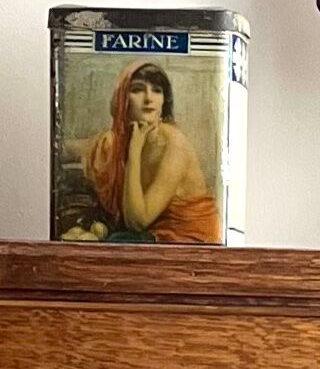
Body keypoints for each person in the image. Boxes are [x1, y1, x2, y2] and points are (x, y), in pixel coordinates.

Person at [80, 62, 222, 242]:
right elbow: (79, 148)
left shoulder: (173, 144)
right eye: (138, 90)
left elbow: (137, 221)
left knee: (116, 243)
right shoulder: (120, 139)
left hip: (190, 240)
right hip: (154, 235)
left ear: (164, 101)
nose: (149, 98)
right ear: (123, 99)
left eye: (157, 90)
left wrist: (134, 151)